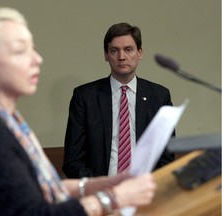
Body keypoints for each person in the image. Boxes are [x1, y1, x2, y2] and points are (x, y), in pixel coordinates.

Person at [0, 8, 157, 216]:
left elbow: (36, 192)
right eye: (21, 51)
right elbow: (35, 212)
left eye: (33, 49)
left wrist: (96, 185)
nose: (37, 59)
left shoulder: (6, 120)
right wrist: (114, 198)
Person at [63, 22, 175, 178]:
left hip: (145, 189)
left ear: (140, 53)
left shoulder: (159, 96)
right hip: (101, 191)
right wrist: (102, 187)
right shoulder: (85, 97)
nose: (122, 57)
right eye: (114, 50)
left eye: (128, 49)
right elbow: (72, 162)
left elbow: (166, 157)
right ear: (106, 55)